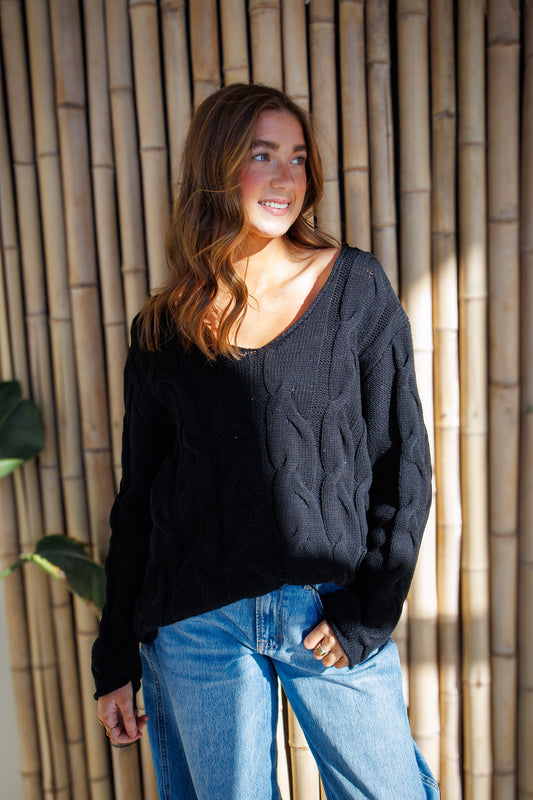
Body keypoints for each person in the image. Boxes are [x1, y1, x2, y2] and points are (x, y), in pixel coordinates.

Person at [92, 82, 440, 800]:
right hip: (198, 626)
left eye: (297, 158)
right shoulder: (163, 328)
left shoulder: (354, 290)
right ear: (218, 168)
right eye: (261, 155)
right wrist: (114, 658)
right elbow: (139, 503)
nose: (285, 177)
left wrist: (364, 615)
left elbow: (402, 465)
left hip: (326, 613)